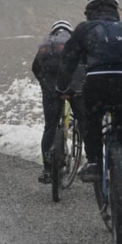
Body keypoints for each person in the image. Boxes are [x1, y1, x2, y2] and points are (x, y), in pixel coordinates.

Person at [56, 0, 122, 223]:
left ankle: (93, 162)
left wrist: (62, 88)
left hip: (98, 83)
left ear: (90, 12)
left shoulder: (84, 29)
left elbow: (68, 61)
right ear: (115, 10)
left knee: (89, 119)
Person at [32, 20, 87, 184]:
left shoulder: (47, 44)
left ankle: (48, 169)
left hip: (52, 89)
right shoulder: (75, 41)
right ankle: (92, 162)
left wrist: (45, 85)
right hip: (73, 88)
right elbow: (85, 65)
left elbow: (36, 68)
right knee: (84, 122)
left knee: (50, 126)